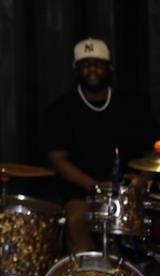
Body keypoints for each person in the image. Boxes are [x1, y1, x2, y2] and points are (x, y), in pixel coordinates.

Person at [45, 37, 158, 253]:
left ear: (109, 67)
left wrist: (142, 181)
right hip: (83, 189)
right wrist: (97, 189)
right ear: (76, 69)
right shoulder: (61, 109)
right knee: (76, 220)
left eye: (98, 64)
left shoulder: (133, 105)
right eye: (86, 64)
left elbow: (155, 150)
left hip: (129, 187)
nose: (92, 70)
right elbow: (57, 159)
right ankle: (92, 272)